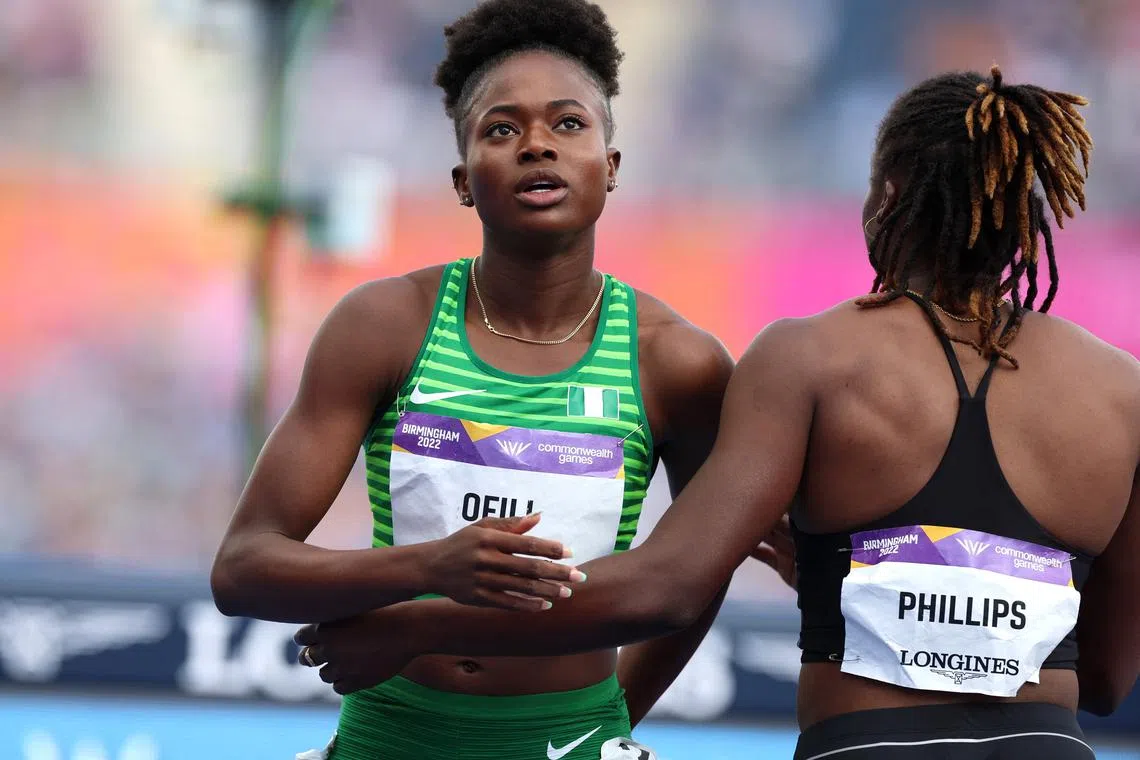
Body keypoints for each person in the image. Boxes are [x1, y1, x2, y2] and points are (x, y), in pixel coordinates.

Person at [297, 66, 1140, 759]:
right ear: (1034, 218)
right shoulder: (1122, 393)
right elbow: (1104, 680)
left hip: (867, 747)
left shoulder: (813, 355)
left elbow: (667, 585)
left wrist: (415, 628)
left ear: (886, 197)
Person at [211, 1, 740, 758]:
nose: (536, 147)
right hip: (390, 734)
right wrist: (428, 567)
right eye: (501, 128)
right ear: (464, 181)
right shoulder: (384, 324)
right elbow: (244, 567)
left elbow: (690, 582)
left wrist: (609, 717)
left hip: (573, 736)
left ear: (611, 167)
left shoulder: (676, 361)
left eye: (568, 124)